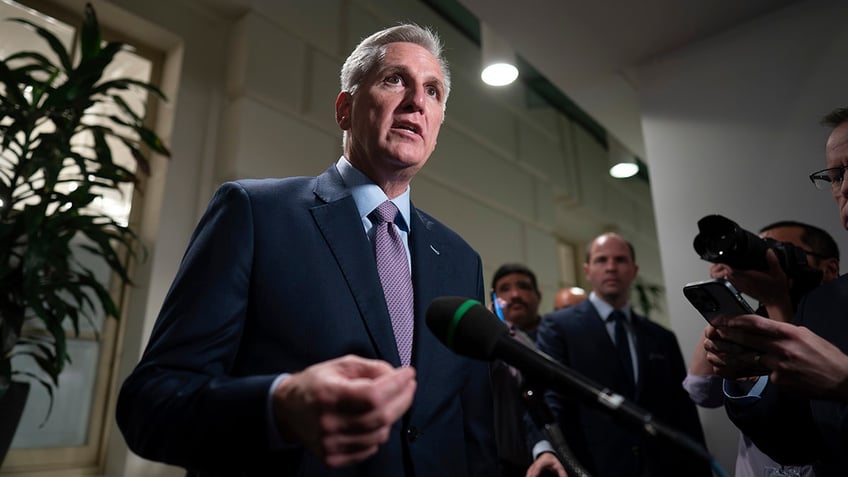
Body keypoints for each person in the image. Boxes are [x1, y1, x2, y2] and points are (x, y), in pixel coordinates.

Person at [116, 24, 497, 477]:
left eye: (432, 91)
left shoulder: (461, 260)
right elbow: (151, 403)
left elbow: (476, 432)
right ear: (345, 109)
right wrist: (278, 407)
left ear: (436, 128)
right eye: (394, 80)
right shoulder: (254, 213)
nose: (417, 101)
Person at [704, 107, 848, 475]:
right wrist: (744, 376)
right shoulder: (820, 305)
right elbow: (793, 443)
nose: (845, 188)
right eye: (836, 176)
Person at [534, 232, 711, 477]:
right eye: (601, 260)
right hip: (591, 467)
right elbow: (551, 399)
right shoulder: (558, 327)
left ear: (634, 270)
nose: (611, 267)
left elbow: (683, 414)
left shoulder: (661, 338)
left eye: (620, 259)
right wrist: (548, 449)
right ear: (587, 270)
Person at [683, 220, 840, 477]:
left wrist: (776, 300)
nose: (769, 262)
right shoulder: (754, 320)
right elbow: (701, 391)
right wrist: (723, 293)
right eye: (761, 252)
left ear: (829, 268)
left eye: (778, 251)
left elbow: (798, 421)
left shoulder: (838, 323)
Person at [488, 264, 566, 477]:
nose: (515, 294)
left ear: (538, 295)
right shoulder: (488, 347)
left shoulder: (558, 340)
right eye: (505, 289)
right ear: (494, 299)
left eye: (523, 286)